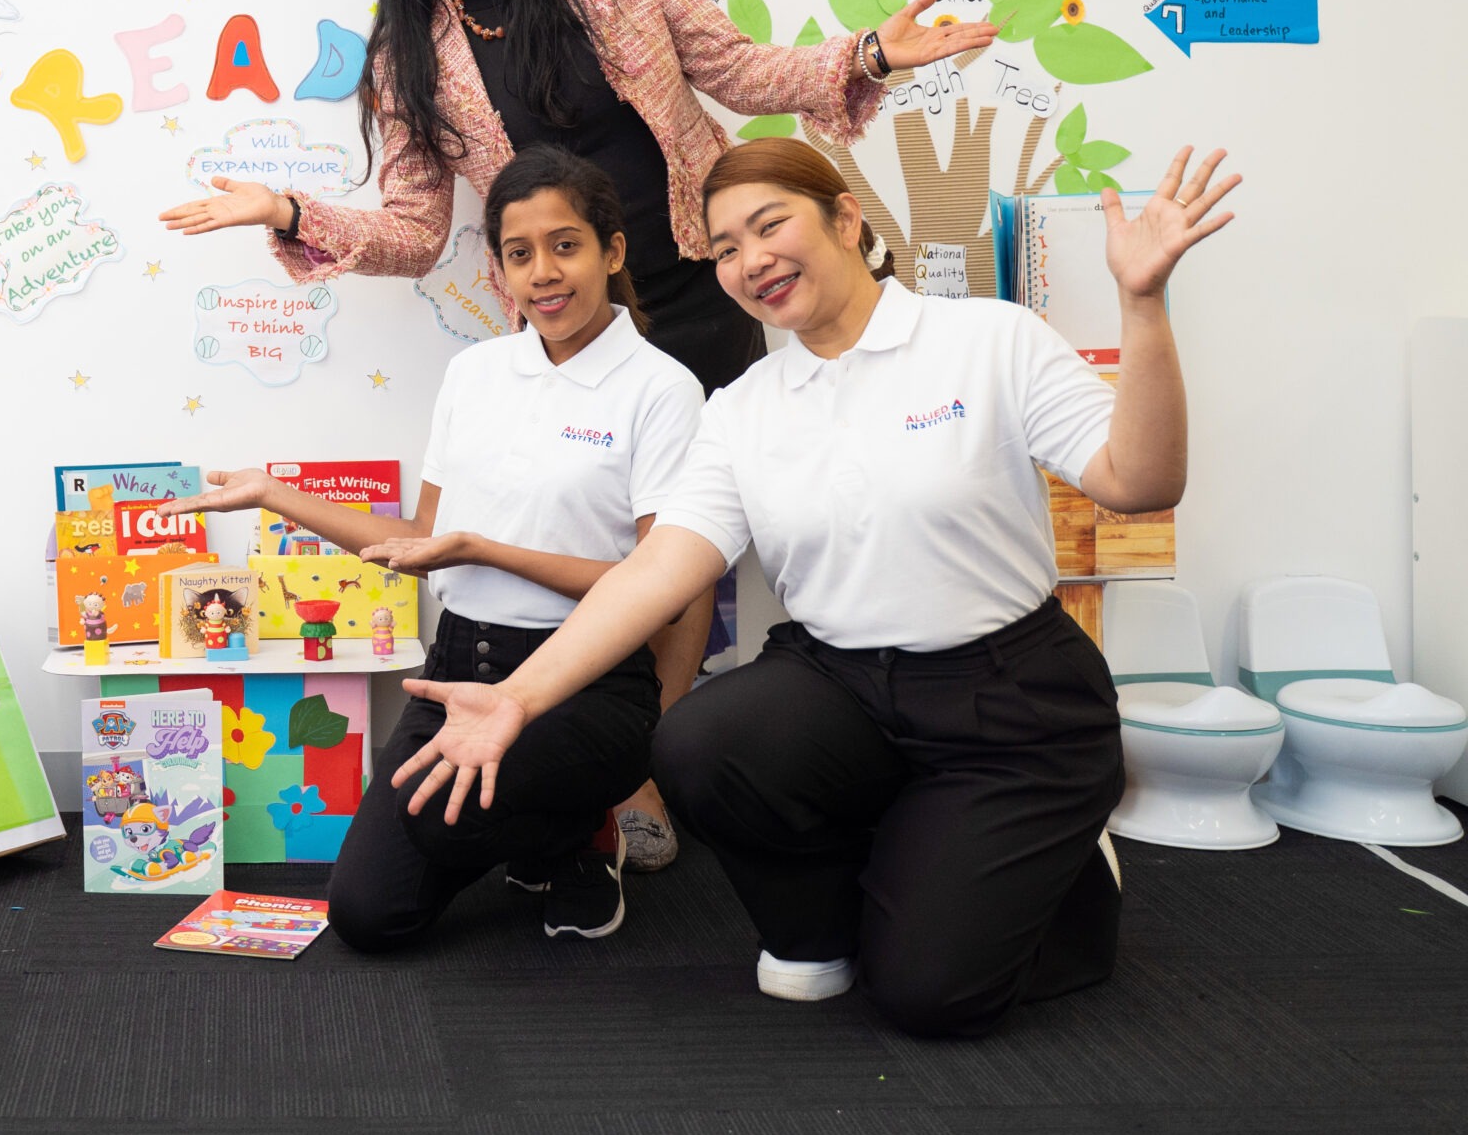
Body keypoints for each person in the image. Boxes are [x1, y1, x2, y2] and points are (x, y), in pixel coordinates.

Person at [159, 0, 996, 870]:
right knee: (596, 535)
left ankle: (650, 745)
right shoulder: (406, 51)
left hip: (694, 278)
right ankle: (588, 740)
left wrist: (871, 53)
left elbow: (731, 68)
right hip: (562, 311)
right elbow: (418, 231)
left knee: (686, 543)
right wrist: (289, 213)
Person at [392, 138, 1238, 1036]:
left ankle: (1065, 870)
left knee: (928, 996)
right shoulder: (745, 406)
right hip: (842, 687)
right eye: (723, 248)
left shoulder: (985, 339)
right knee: (696, 739)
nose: (751, 260)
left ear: (843, 218)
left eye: (769, 224)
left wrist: (1142, 303)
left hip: (1007, 697)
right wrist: (518, 698)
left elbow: (1141, 482)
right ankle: (828, 921)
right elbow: (657, 574)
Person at [184, 147, 703, 947]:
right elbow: (422, 544)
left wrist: (488, 550)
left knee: (453, 819)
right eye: (519, 253)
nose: (544, 273)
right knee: (369, 914)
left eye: (566, 245)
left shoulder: (661, 388)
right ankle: (538, 835)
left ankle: (577, 840)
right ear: (498, 267)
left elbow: (661, 583)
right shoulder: (475, 373)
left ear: (613, 251)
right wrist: (273, 493)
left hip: (589, 677)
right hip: (460, 663)